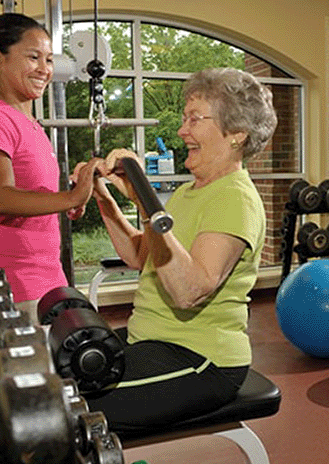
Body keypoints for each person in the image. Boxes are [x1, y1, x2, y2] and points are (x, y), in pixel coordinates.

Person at [83, 67, 277, 434]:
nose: (182, 130)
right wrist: (104, 200)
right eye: (184, 119)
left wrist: (145, 200)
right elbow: (142, 257)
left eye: (194, 119)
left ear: (237, 135)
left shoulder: (235, 198)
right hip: (152, 338)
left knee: (72, 408)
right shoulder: (190, 192)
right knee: (64, 372)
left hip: (202, 359)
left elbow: (189, 291)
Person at [0, 13, 99, 323]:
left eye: (49, 59)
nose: (44, 69)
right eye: (33, 57)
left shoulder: (30, 124)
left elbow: (31, 196)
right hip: (15, 288)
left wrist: (63, 203)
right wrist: (72, 197)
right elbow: (1, 199)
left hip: (47, 282)